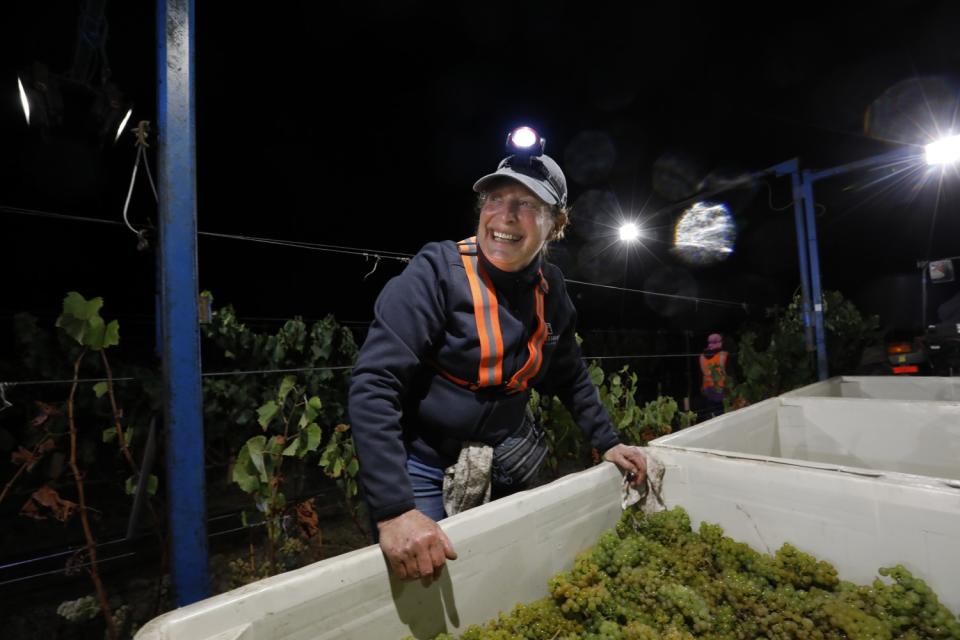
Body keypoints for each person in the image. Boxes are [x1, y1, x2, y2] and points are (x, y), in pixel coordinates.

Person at [348, 132, 647, 583]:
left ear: (557, 224)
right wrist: (395, 511)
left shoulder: (552, 288)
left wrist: (608, 442)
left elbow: (569, 373)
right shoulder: (435, 274)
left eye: (528, 205)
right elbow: (374, 383)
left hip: (508, 452)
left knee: (513, 572)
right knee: (430, 578)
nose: (505, 216)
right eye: (496, 199)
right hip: (423, 464)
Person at [699, 333, 729, 417]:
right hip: (719, 387)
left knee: (710, 412)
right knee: (720, 413)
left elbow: (704, 373)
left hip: (707, 387)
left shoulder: (702, 356)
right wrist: (728, 386)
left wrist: (702, 386)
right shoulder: (722, 354)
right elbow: (723, 371)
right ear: (719, 342)